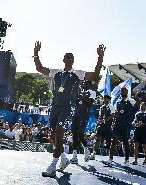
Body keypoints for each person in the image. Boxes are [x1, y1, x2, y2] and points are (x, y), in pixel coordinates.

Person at [33, 41, 106, 177]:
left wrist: (100, 57)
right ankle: (64, 159)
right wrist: (36, 53)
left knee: (60, 133)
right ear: (63, 59)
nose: (69, 59)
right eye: (67, 57)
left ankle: (53, 166)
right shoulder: (56, 72)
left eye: (71, 57)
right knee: (55, 136)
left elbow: (95, 74)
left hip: (68, 108)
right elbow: (39, 68)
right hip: (55, 107)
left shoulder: (78, 74)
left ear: (73, 61)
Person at [102, 87, 136, 167]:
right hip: (117, 124)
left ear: (127, 92)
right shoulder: (118, 101)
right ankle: (110, 159)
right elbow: (117, 113)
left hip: (125, 125)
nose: (123, 91)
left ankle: (127, 160)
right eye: (121, 90)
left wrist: (136, 95)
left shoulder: (131, 101)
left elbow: (137, 104)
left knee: (125, 142)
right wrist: (113, 123)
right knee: (113, 141)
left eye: (124, 90)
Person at [70, 81, 95, 164]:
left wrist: (82, 96)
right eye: (83, 83)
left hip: (84, 116)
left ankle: (86, 149)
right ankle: (74, 157)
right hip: (75, 115)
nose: (84, 85)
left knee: (80, 134)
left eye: (86, 83)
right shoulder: (79, 94)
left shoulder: (92, 92)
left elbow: (89, 102)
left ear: (89, 85)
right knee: (74, 136)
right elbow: (74, 103)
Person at [89, 94, 115, 160]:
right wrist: (98, 123)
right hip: (101, 126)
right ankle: (93, 154)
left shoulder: (111, 107)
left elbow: (112, 116)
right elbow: (100, 117)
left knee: (109, 141)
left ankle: (110, 158)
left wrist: (104, 120)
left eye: (106, 98)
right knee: (97, 139)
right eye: (104, 98)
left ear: (109, 100)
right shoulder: (101, 107)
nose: (105, 99)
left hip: (108, 126)